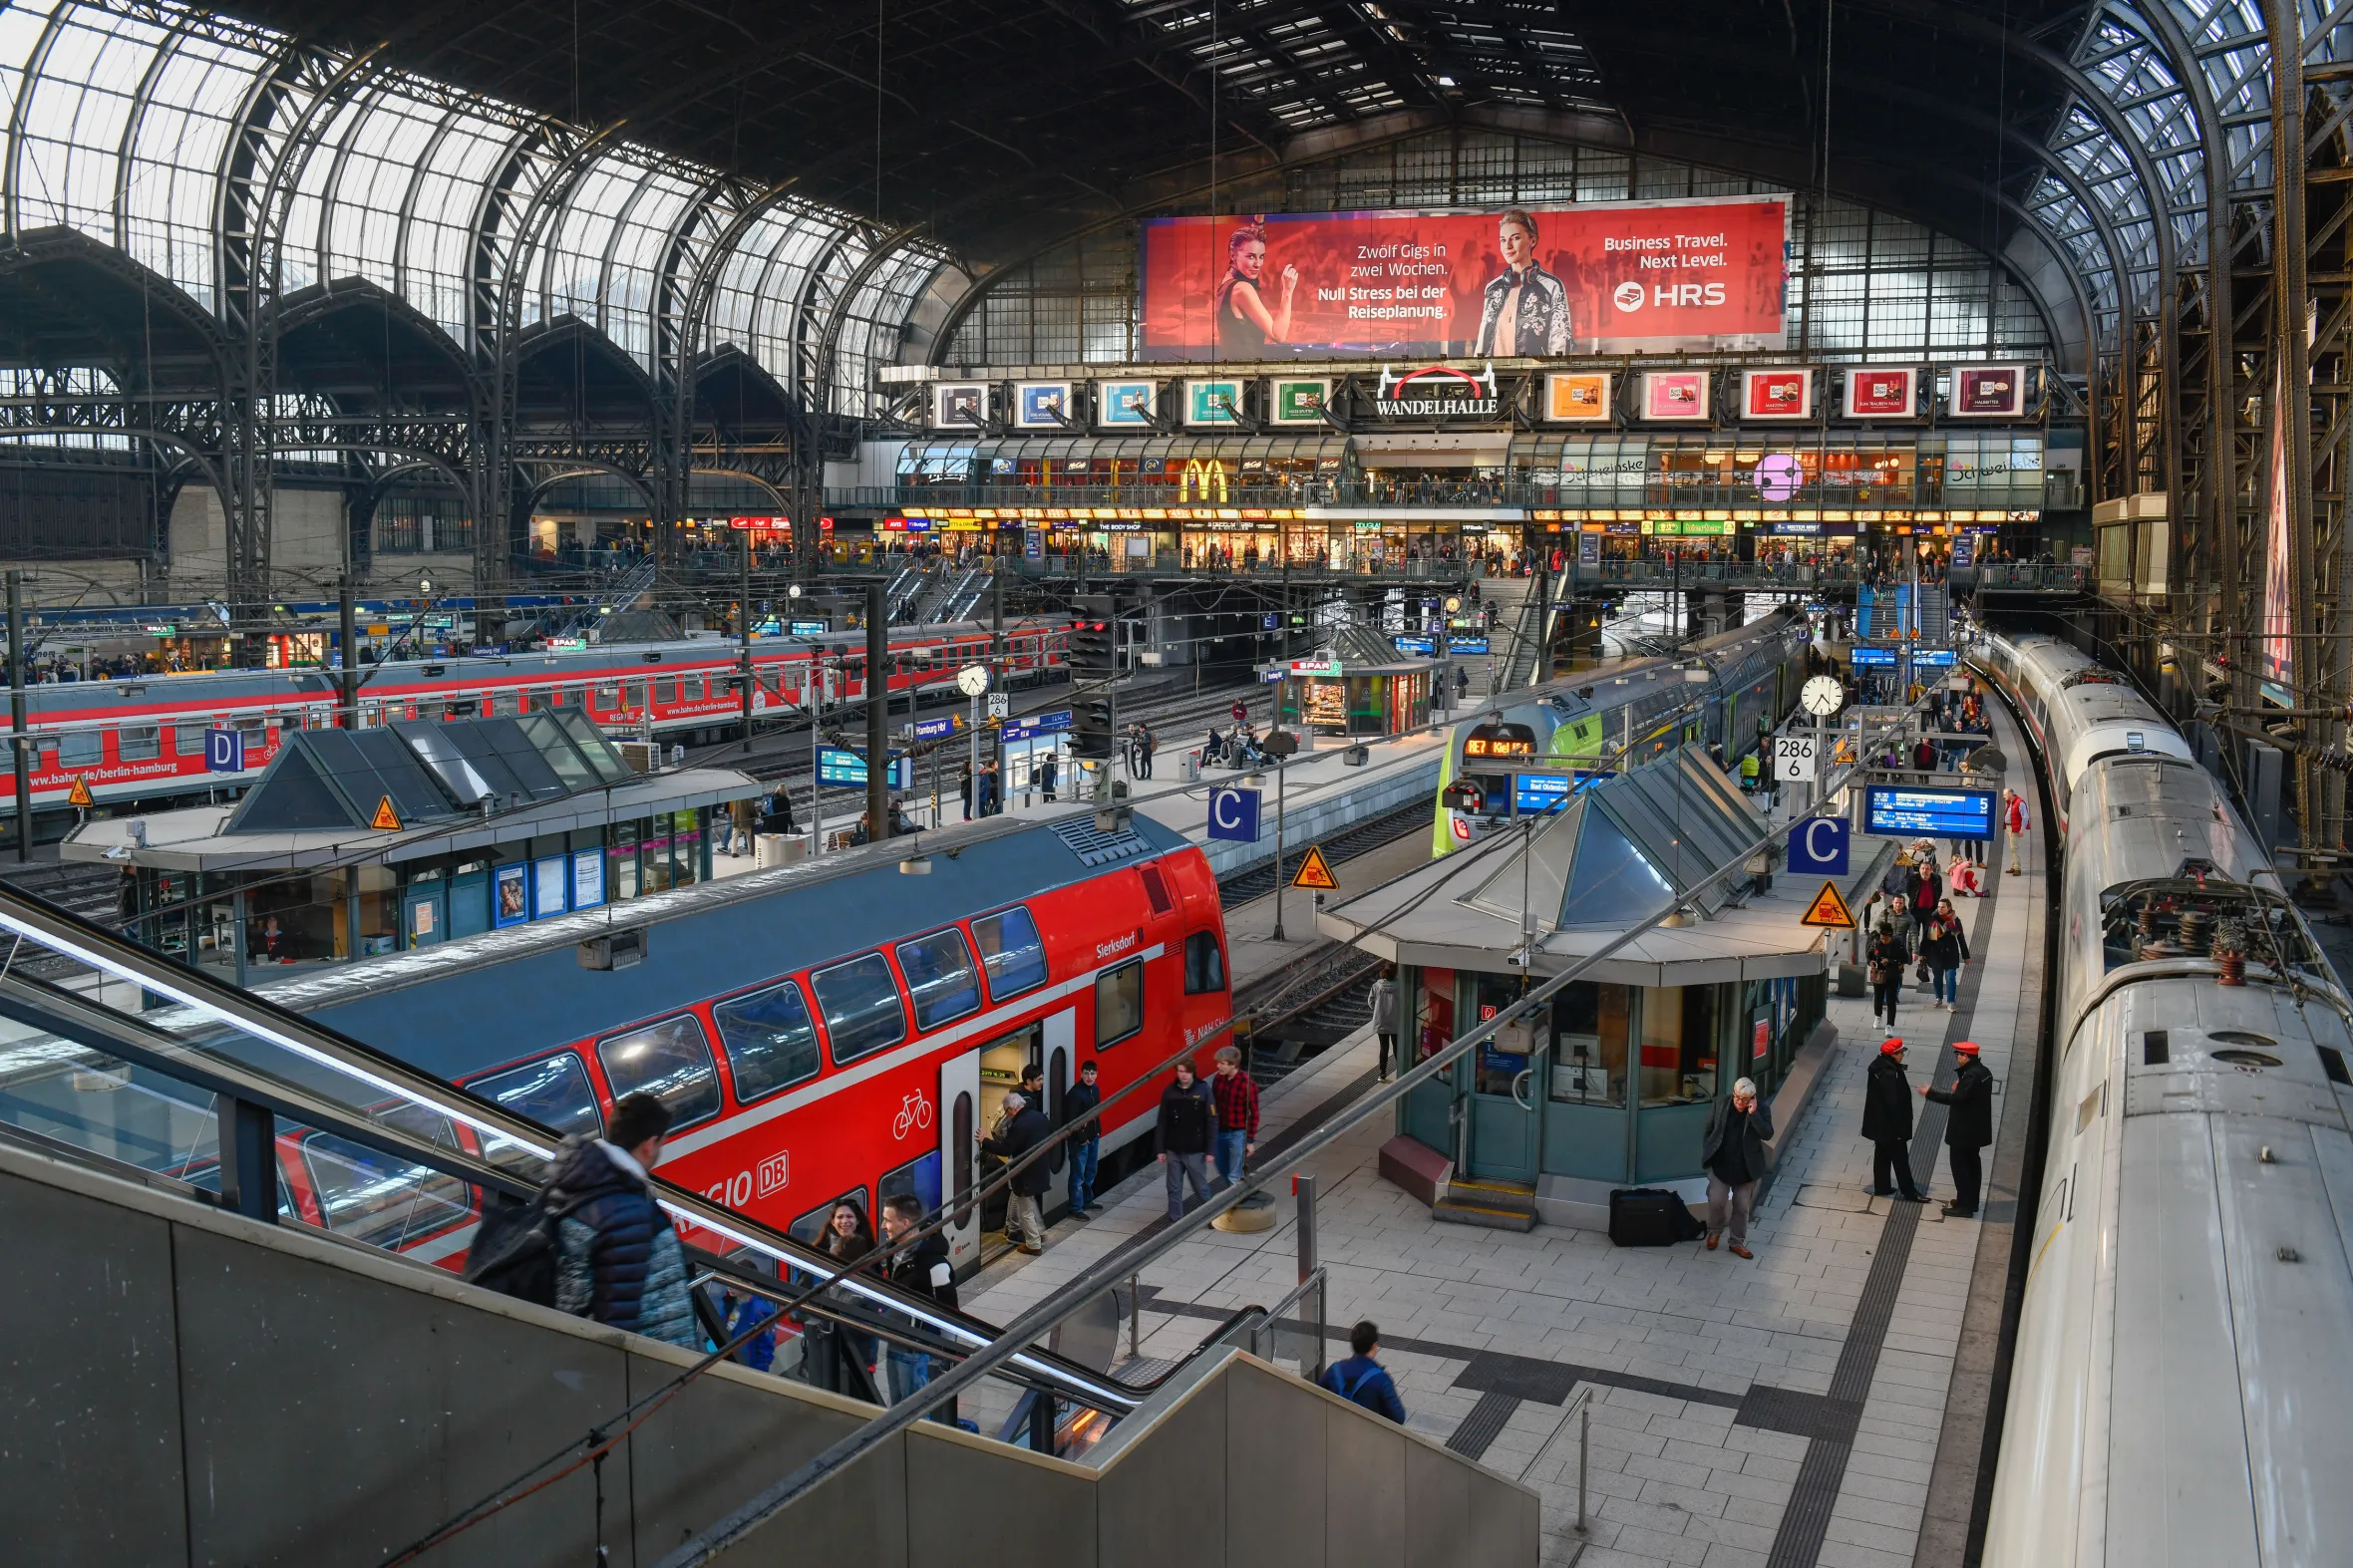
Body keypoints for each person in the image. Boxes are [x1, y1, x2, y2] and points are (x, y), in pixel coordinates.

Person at [548, 1092, 699, 1348]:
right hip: (630, 1368)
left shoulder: (566, 1185)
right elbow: (649, 1319)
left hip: (566, 1346)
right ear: (650, 1144)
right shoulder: (634, 1214)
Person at [880, 1193, 957, 1411]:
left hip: (916, 1350)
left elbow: (950, 1313)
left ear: (905, 1224)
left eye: (887, 1220)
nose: (883, 1226)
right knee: (897, 1407)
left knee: (914, 1411)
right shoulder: (893, 1251)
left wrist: (948, 1356)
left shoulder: (935, 1265)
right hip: (895, 1340)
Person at [1473, 209, 1572, 356]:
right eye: (1503, 240)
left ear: (1532, 240)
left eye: (1515, 238)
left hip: (1534, 375)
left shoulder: (1552, 287)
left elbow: (1560, 343)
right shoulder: (1493, 289)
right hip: (1494, 375)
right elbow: (1482, 340)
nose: (1508, 246)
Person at [1699, 1077, 1773, 1259]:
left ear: (1752, 1099)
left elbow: (1767, 1134)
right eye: (1737, 1097)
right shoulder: (1721, 1104)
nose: (1739, 1102)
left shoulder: (1762, 1109)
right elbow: (1709, 1129)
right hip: (1721, 1165)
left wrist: (1753, 1114)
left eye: (1744, 1100)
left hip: (1746, 1169)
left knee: (1741, 1207)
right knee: (1716, 1201)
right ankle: (1715, 1232)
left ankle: (1736, 1242)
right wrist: (1708, 1149)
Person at [1922, 1039, 1994, 1217]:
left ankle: (1964, 1207)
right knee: (1973, 1166)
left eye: (1959, 1055)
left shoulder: (1971, 1075)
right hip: (1977, 1129)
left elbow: (1958, 1099)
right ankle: (1970, 1201)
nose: (1957, 1058)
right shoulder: (1984, 1071)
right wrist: (1960, 1087)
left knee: (1961, 1167)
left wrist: (1930, 1093)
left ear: (1966, 1056)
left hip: (1964, 1131)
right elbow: (1972, 1095)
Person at [981, 1090, 1052, 1254]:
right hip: (1041, 1168)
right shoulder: (1040, 1117)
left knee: (1025, 1211)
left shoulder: (1018, 1126)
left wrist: (984, 1141)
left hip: (1026, 1174)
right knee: (1029, 1204)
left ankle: (1033, 1244)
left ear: (1011, 1110)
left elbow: (1006, 1149)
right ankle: (1039, 1232)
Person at [1214, 217, 1298, 353]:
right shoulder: (1242, 289)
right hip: (1247, 370)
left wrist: (1258, 224)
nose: (1258, 264)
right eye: (1251, 257)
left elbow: (1251, 245)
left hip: (1235, 367)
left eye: (1262, 257)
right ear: (1233, 255)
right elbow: (1279, 336)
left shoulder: (1228, 279)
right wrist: (1287, 291)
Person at [1863, 1039, 1927, 1201]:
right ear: (1892, 1054)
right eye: (1901, 1053)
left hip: (1880, 1124)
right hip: (1891, 1127)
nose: (1903, 1056)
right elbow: (1893, 1104)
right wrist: (1899, 1130)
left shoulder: (1880, 1067)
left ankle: (1882, 1186)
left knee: (1882, 1155)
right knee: (1901, 1159)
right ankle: (1910, 1192)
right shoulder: (1890, 1074)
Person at [1155, 1059, 1216, 1221]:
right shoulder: (1169, 1092)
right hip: (1173, 1148)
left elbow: (1212, 1121)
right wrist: (1160, 1149)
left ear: (1193, 1072)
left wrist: (1210, 1150)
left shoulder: (1203, 1090)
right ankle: (1176, 1219)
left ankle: (1212, 1216)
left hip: (1195, 1149)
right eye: (1180, 1071)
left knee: (1200, 1186)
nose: (1183, 1075)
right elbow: (1162, 1121)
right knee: (1173, 1187)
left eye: (1186, 1072)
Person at [1317, 1320, 1406, 1424]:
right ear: (1374, 1346)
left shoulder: (1335, 1370)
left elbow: (1316, 1395)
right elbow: (1399, 1417)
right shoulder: (1381, 1379)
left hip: (1336, 1429)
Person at [1209, 1044, 1259, 1188]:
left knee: (1234, 1174)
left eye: (1222, 1064)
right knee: (1221, 1166)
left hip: (1238, 1133)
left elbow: (1254, 1113)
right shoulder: (1218, 1079)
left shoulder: (1248, 1084)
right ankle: (1235, 1192)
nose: (1218, 1066)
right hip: (1219, 1132)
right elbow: (1214, 1106)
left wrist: (1249, 1140)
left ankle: (1235, 1199)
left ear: (1233, 1065)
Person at [1065, 1060, 1103, 1218]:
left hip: (1093, 1137)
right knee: (1078, 1175)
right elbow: (1071, 1119)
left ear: (1097, 1074)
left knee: (1090, 1171)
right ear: (1080, 1074)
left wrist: (1097, 1131)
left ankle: (1087, 1201)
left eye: (1092, 1073)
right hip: (1080, 1141)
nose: (1089, 1076)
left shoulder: (1095, 1089)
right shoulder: (1075, 1094)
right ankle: (1076, 1208)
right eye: (1086, 1073)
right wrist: (1081, 1138)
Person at [1920, 898, 1970, 1012]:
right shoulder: (1932, 919)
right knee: (1937, 978)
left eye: (1943, 907)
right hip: (1936, 954)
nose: (1940, 909)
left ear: (1949, 908)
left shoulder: (1955, 920)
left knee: (1950, 977)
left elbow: (1960, 938)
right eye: (1939, 907)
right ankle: (1939, 997)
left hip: (1950, 953)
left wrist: (1966, 955)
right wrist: (1922, 953)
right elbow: (1926, 937)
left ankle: (1951, 1002)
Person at [1867, 916, 1909, 1029]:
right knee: (1878, 997)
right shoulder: (1876, 942)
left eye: (1886, 939)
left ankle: (1890, 1024)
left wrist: (1890, 961)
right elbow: (1870, 955)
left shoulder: (1898, 944)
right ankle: (1878, 1016)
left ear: (1891, 937)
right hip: (1878, 974)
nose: (1884, 941)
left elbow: (1906, 959)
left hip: (1892, 975)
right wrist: (1870, 962)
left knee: (1891, 1000)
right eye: (1882, 939)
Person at [1368, 965, 1400, 1082]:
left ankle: (1382, 1074)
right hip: (1396, 1021)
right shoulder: (1400, 986)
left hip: (1381, 1021)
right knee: (1397, 1047)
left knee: (1383, 1047)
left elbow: (1370, 1001)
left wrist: (1377, 1009)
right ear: (1395, 973)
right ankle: (1400, 1072)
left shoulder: (1376, 986)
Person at [2004, 788, 2030, 875]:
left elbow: (2025, 817)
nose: (2003, 796)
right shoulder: (2011, 802)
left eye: (2005, 794)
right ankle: (2014, 866)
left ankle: (2017, 869)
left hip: (2014, 828)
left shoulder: (2020, 803)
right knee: (2012, 848)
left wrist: (2022, 829)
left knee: (2013, 848)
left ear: (2010, 794)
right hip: (2009, 827)